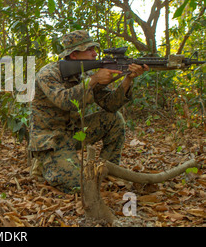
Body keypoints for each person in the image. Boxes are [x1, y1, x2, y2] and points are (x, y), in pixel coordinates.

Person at [28, 30, 148, 193]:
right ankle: (44, 164)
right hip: (50, 139)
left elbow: (110, 105)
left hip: (74, 132)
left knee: (113, 119)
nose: (94, 53)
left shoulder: (86, 73)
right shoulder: (48, 73)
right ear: (74, 55)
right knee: (80, 186)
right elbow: (63, 100)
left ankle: (107, 171)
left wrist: (128, 79)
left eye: (94, 48)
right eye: (89, 49)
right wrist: (93, 81)